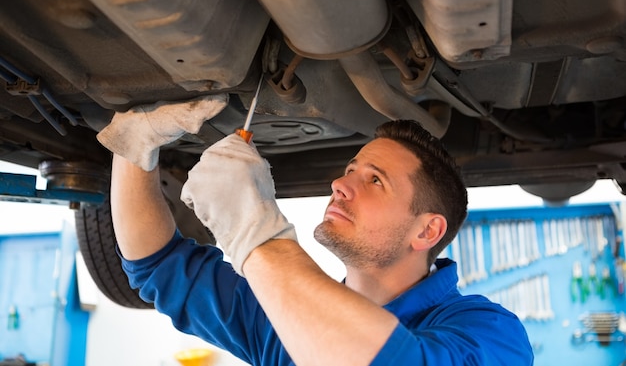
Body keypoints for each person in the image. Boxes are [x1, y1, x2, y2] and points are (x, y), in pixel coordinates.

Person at [97, 95, 534, 366]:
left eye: (375, 180)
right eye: (350, 170)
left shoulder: (490, 333)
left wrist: (256, 234)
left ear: (427, 231)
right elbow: (157, 266)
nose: (340, 185)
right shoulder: (285, 316)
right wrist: (134, 148)